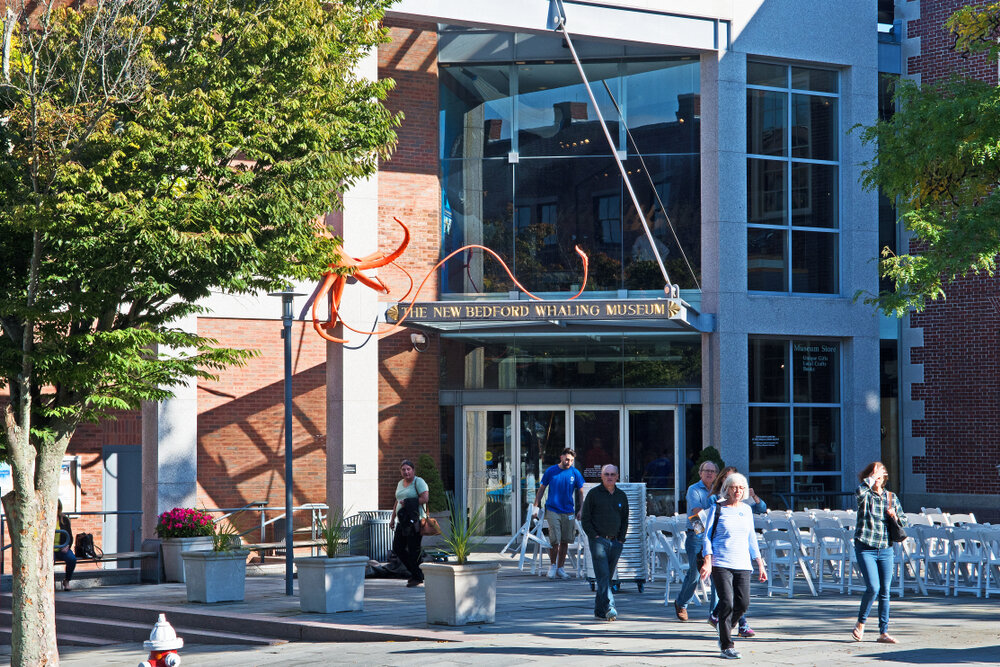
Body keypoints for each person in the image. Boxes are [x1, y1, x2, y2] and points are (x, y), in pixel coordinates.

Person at [699, 472, 767, 660]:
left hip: (743, 562)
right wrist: (707, 561)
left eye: (741, 487)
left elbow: (752, 538)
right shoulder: (717, 508)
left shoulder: (746, 510)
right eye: (733, 487)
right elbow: (706, 536)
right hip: (721, 562)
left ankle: (724, 627)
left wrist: (760, 564)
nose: (737, 491)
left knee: (743, 603)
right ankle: (727, 644)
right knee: (727, 602)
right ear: (726, 489)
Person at [852, 461, 906, 644]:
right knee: (873, 587)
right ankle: (861, 623)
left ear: (885, 478)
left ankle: (884, 632)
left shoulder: (891, 497)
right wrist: (870, 479)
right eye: (874, 475)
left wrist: (894, 516)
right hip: (865, 547)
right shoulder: (865, 495)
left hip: (885, 548)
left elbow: (903, 521)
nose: (878, 478)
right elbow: (859, 493)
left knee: (885, 590)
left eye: (880, 475)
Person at [581, 464, 629, 622]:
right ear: (601, 476)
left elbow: (624, 519)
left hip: (615, 542)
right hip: (599, 542)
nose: (609, 477)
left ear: (617, 477)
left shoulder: (621, 495)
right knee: (603, 575)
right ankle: (610, 607)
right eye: (606, 474)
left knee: (606, 578)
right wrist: (594, 536)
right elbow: (585, 519)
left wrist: (621, 539)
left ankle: (599, 611)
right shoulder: (594, 494)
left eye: (612, 474)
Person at [673, 459, 719, 621]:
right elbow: (697, 512)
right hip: (696, 533)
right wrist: (715, 512)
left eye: (712, 471)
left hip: (714, 535)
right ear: (700, 473)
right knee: (695, 573)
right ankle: (681, 603)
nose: (709, 473)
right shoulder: (694, 489)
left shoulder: (718, 490)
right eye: (706, 470)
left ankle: (715, 614)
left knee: (717, 574)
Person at [533, 448, 584, 579]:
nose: (569, 462)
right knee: (555, 539)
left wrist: (581, 509)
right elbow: (541, 489)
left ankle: (561, 568)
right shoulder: (551, 471)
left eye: (572, 460)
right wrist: (535, 507)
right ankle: (552, 565)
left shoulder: (575, 472)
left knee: (565, 540)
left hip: (568, 511)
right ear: (561, 457)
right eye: (567, 459)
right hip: (552, 509)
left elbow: (581, 492)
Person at [388, 459, 429, 587]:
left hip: (414, 521)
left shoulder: (419, 481)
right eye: (403, 469)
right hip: (402, 521)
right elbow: (397, 501)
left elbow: (425, 498)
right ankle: (416, 573)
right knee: (398, 548)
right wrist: (393, 518)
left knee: (414, 550)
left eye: (408, 469)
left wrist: (409, 502)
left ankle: (417, 577)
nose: (406, 472)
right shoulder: (400, 483)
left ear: (413, 470)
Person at [54, 500, 76, 591]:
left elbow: (70, 536)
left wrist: (67, 546)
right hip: (49, 549)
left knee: (72, 559)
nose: (56, 510)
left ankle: (67, 580)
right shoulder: (43, 518)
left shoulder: (64, 519)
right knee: (49, 561)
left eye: (58, 508)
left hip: (62, 547)